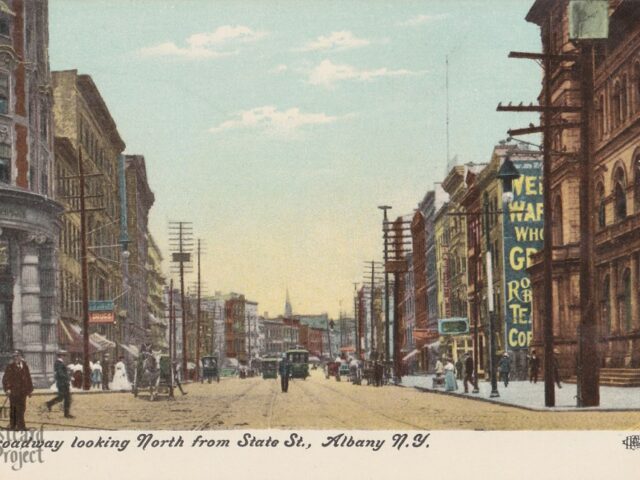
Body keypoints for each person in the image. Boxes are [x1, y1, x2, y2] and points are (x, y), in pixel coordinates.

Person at [2, 350, 34, 430]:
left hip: (23, 392)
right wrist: (8, 388)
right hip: (13, 392)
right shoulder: (10, 366)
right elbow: (6, 379)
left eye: (17, 356)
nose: (15, 358)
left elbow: (28, 378)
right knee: (13, 408)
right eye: (14, 356)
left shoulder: (25, 366)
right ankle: (13, 426)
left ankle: (21, 426)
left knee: (22, 408)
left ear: (21, 357)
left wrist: (30, 390)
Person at [45, 350, 73, 419]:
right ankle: (50, 404)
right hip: (62, 383)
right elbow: (60, 373)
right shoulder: (59, 363)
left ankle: (50, 404)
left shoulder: (59, 363)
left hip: (63, 383)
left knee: (65, 398)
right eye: (64, 355)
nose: (65, 357)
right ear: (61, 356)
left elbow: (61, 372)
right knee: (64, 398)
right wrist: (68, 377)